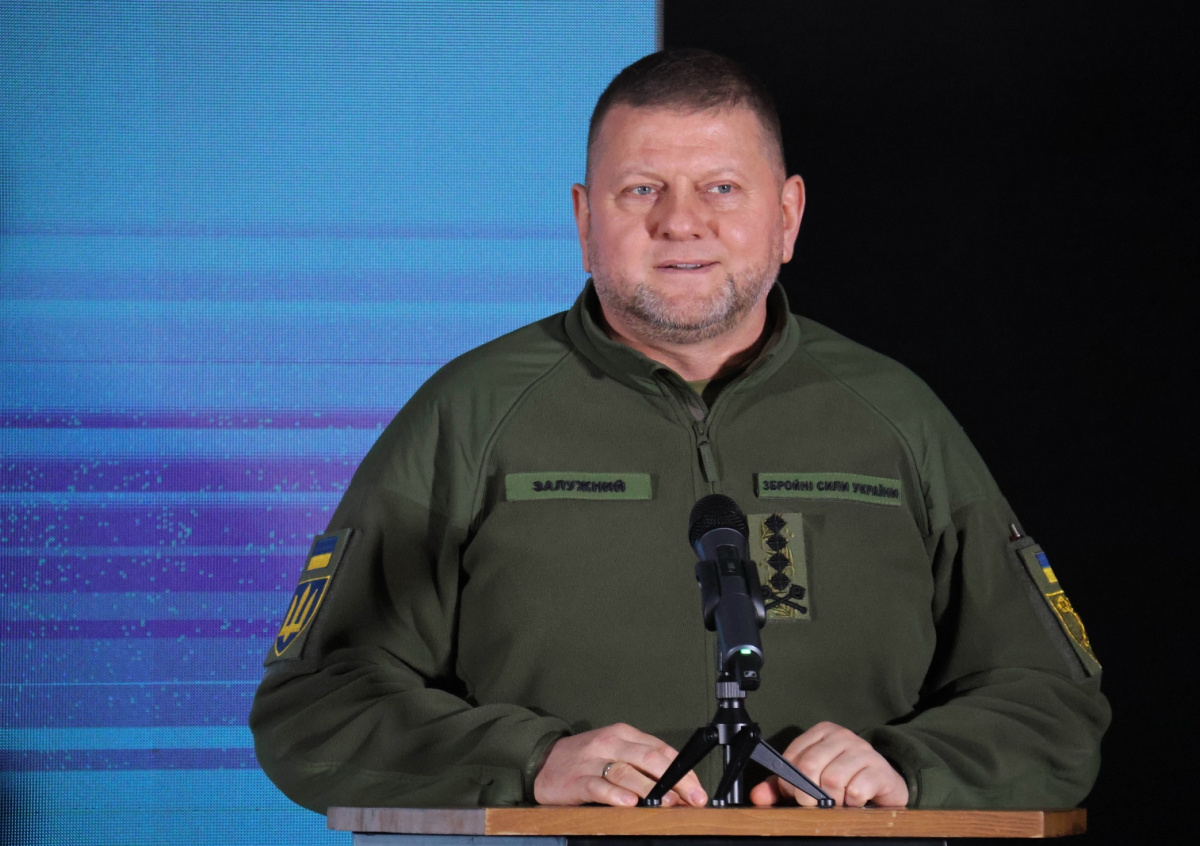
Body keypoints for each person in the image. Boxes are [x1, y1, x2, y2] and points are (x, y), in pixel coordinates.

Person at [250, 49, 1109, 813]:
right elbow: (315, 706)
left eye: (721, 188)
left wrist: (909, 767)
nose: (680, 222)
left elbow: (1054, 703)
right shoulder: (468, 415)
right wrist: (529, 761)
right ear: (584, 220)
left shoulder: (898, 417)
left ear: (788, 215)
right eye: (641, 190)